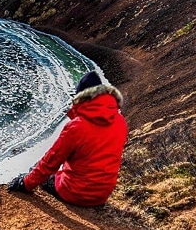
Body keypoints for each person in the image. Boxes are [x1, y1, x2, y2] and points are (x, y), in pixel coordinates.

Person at [7, 70, 127, 207]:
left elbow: (49, 163)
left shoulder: (76, 127)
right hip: (102, 195)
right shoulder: (120, 121)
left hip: (75, 193)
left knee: (35, 170)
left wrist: (24, 183)